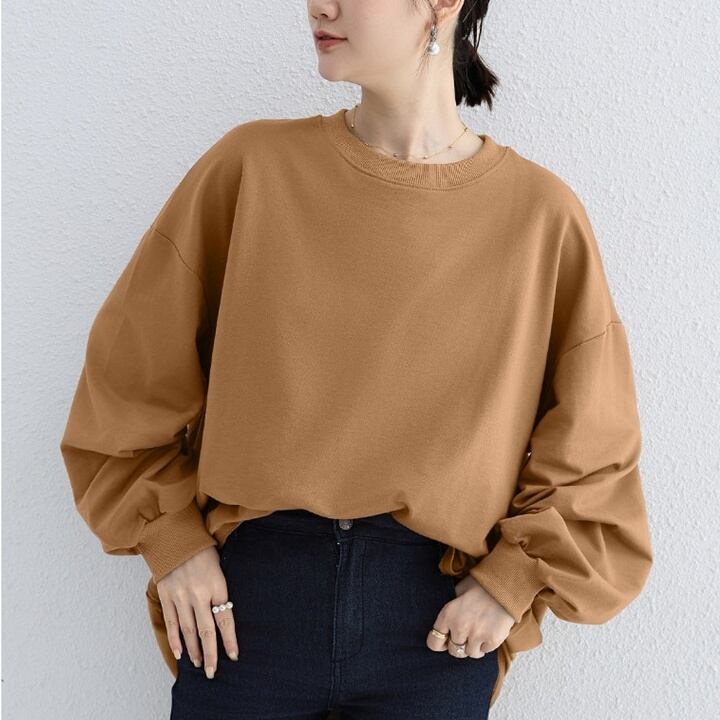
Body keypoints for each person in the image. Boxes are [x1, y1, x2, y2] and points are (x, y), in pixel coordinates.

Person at [59, 0, 653, 717]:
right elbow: (127, 379)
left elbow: (596, 446)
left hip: (434, 631)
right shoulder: (251, 170)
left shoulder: (540, 216)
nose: (319, 5)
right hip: (247, 613)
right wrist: (172, 542)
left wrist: (511, 584)